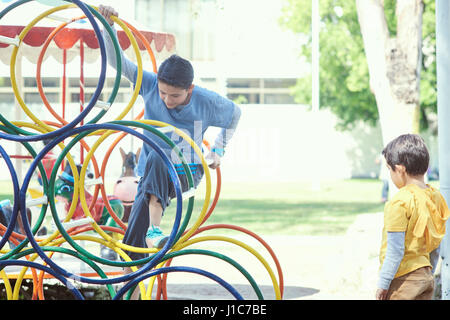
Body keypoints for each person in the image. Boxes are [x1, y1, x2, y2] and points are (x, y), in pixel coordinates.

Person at [98, 4, 241, 287]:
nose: (166, 100)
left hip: (186, 171)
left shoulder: (207, 101)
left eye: (174, 95)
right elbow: (117, 62)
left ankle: (153, 231)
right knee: (136, 223)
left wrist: (218, 151)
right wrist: (108, 27)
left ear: (190, 89)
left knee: (155, 159)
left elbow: (236, 114)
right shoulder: (150, 85)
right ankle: (132, 277)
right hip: (151, 173)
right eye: (162, 93)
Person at [376, 134, 450, 300]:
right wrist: (428, 272)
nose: (390, 175)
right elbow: (437, 242)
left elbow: (395, 250)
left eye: (390, 169)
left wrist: (383, 283)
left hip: (402, 279)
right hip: (425, 276)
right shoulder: (435, 197)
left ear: (400, 169)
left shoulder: (400, 202)